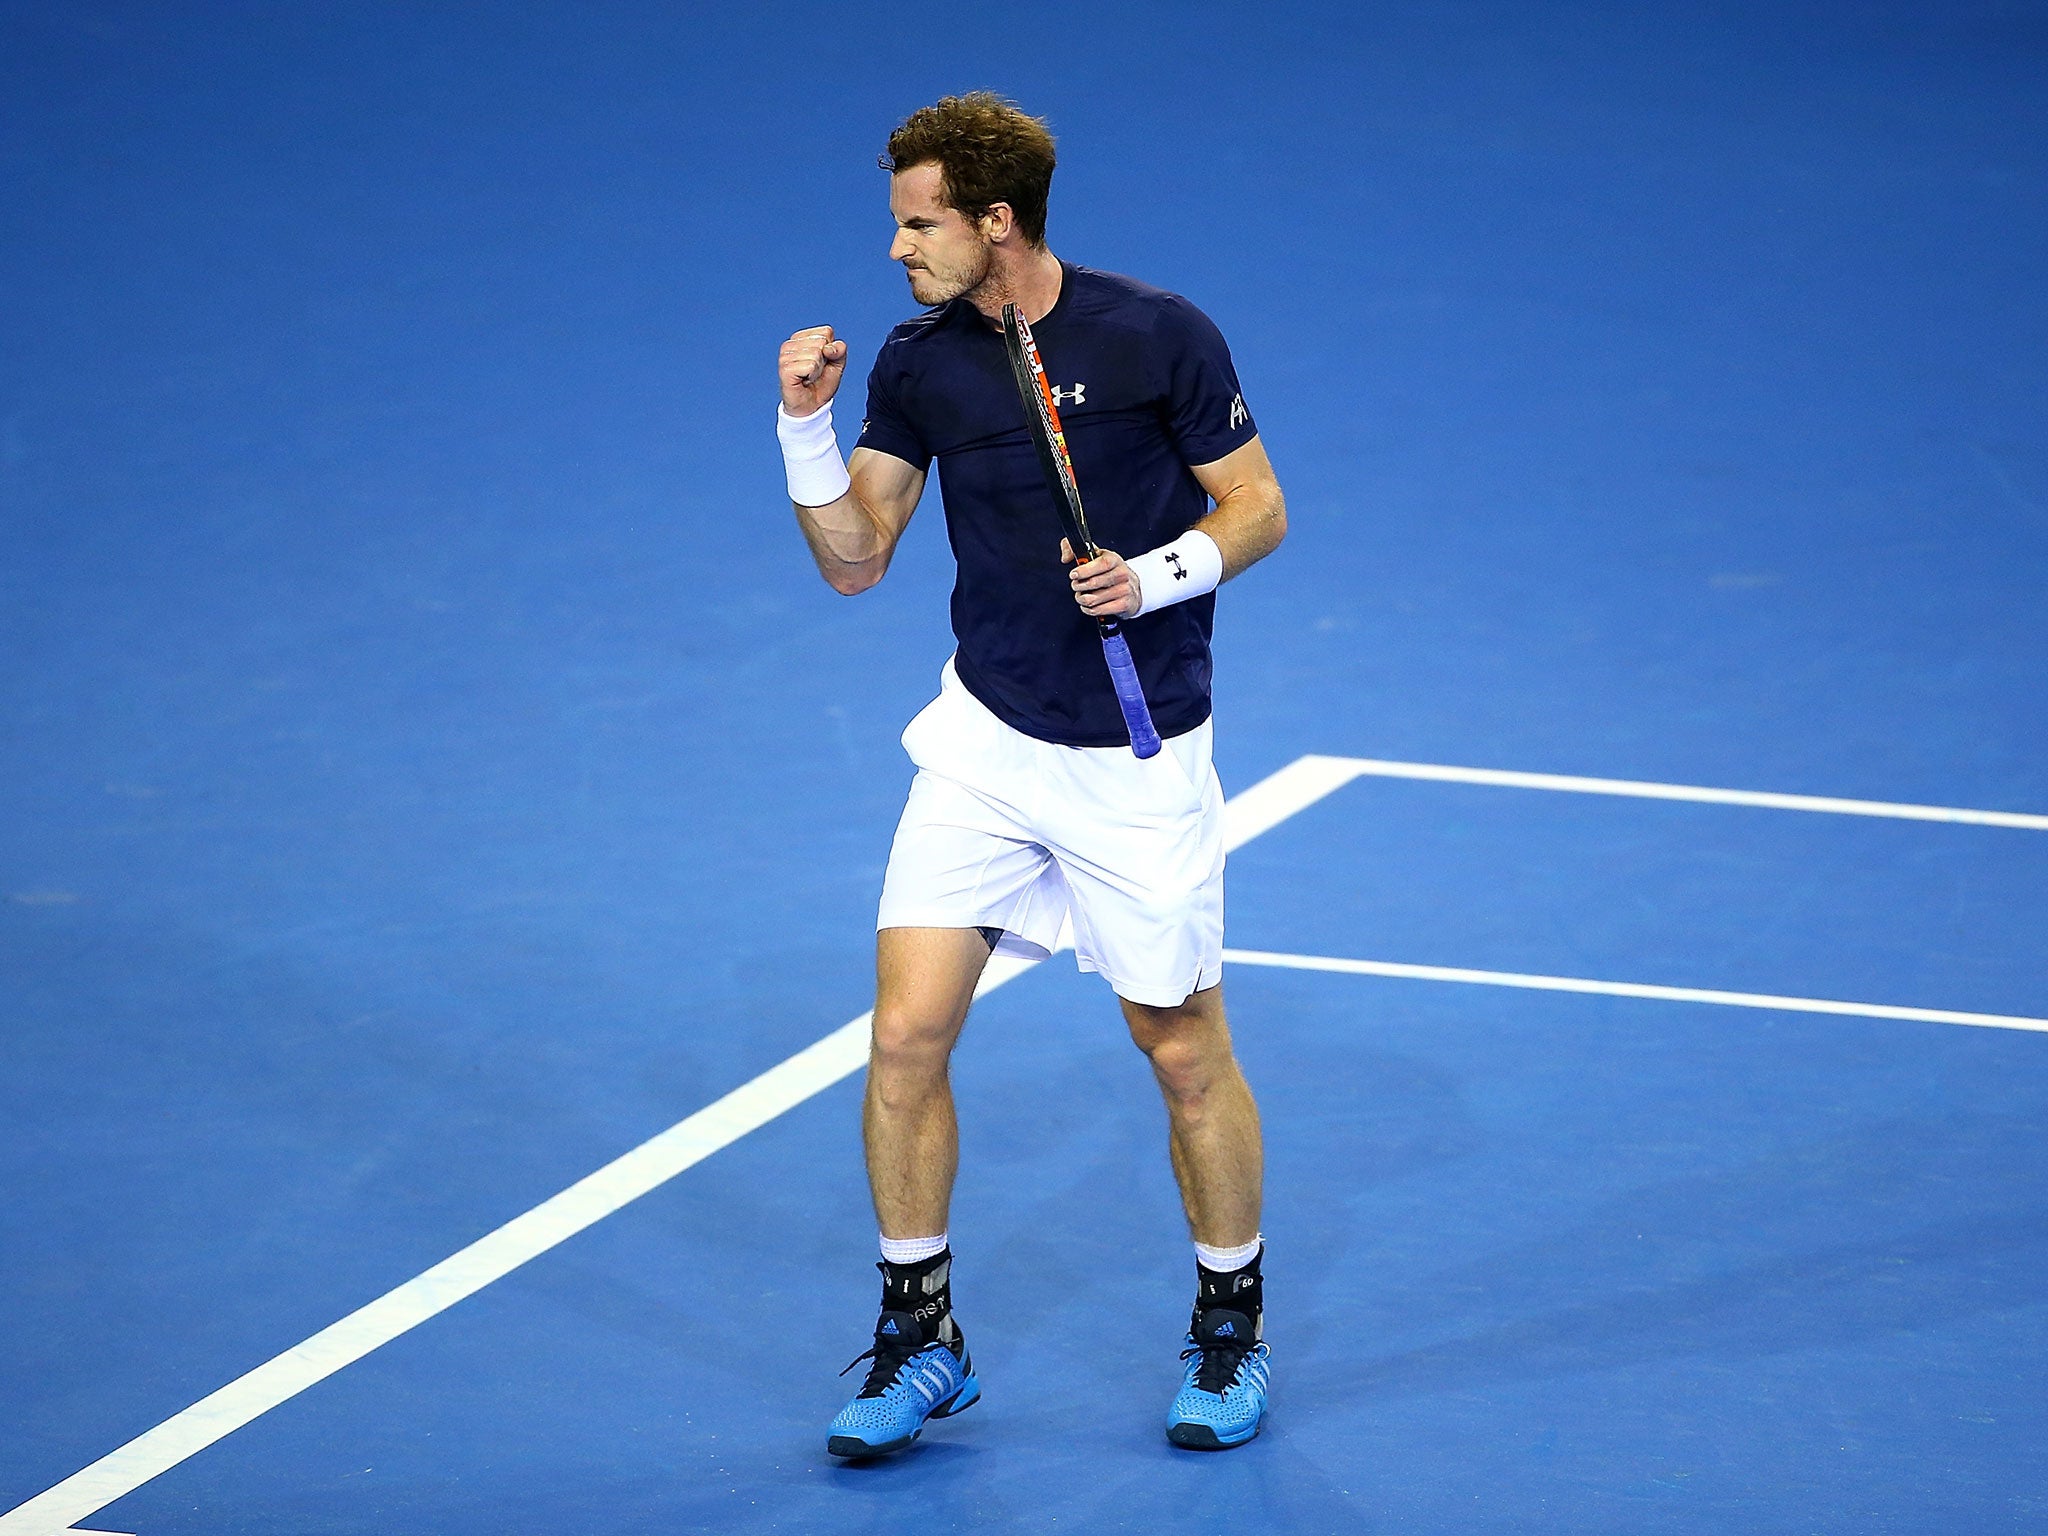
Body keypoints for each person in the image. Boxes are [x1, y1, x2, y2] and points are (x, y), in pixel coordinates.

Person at [774, 92, 1287, 1456]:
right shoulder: (922, 362)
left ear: (994, 222)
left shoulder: (1155, 335)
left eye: (918, 223)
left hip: (1136, 758)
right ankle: (921, 1336)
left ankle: (1231, 1324)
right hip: (986, 745)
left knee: (1180, 1050)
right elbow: (854, 557)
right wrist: (806, 432)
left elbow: (1259, 508)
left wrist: (1159, 573)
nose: (898, 250)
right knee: (903, 1035)